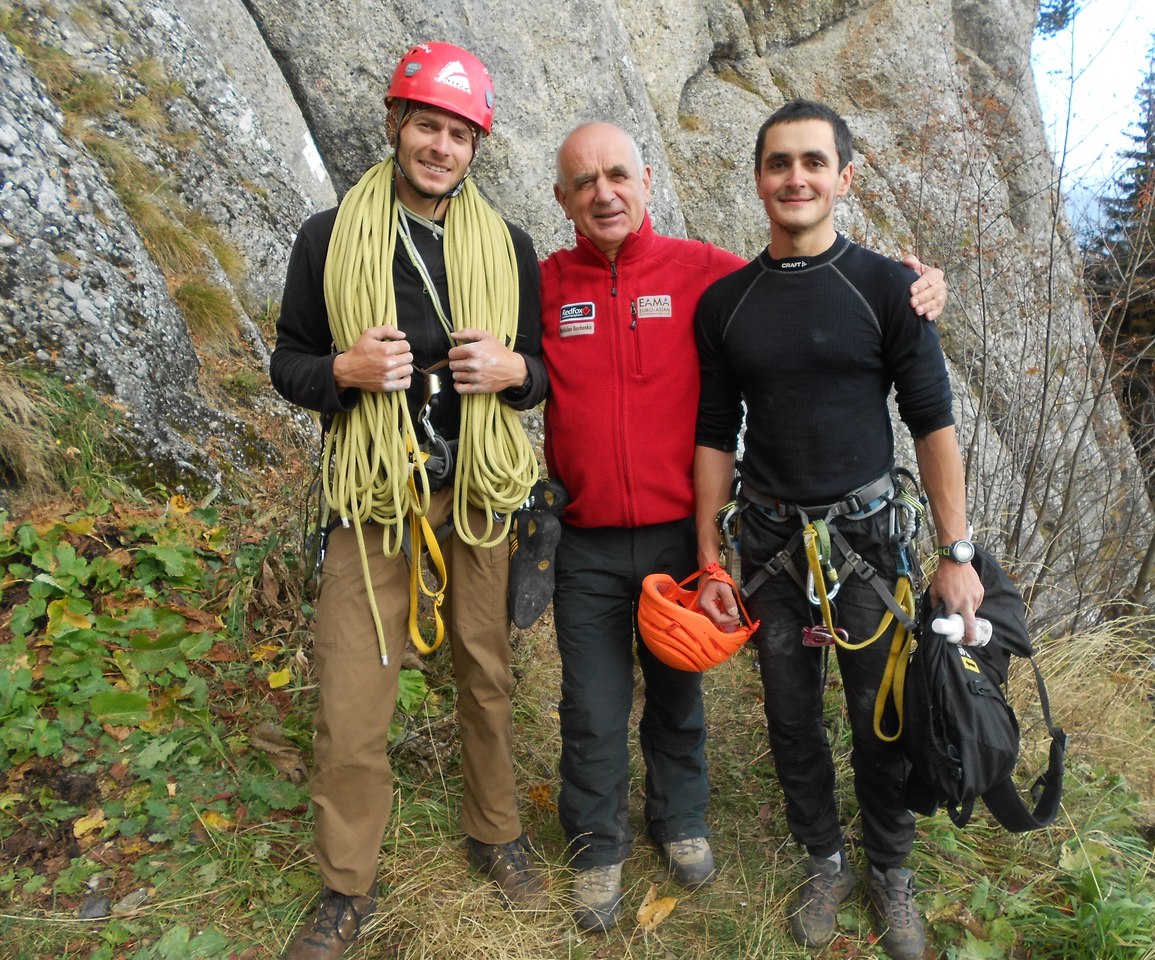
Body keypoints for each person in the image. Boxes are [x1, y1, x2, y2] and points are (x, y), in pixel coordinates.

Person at [538, 121, 948, 932]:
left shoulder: (702, 274)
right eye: (585, 182)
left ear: (647, 181)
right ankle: (611, 849)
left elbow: (809, 284)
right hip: (620, 535)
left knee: (712, 694)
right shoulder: (549, 282)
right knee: (612, 705)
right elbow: (714, 421)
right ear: (562, 198)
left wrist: (919, 280)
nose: (604, 193)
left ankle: (709, 826)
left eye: (619, 175)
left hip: (767, 533)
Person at [270, 42, 549, 960]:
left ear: (477, 146)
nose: (441, 146)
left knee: (487, 672)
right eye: (427, 124)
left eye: (459, 133)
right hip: (374, 493)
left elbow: (540, 371)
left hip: (474, 489)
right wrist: (342, 372)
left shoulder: (509, 248)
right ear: (395, 125)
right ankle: (345, 886)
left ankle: (496, 830)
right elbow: (290, 360)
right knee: (353, 691)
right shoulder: (329, 236)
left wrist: (514, 372)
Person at [692, 99, 984, 960]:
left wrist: (955, 553)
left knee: (878, 715)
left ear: (843, 178)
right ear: (757, 179)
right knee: (790, 716)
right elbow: (715, 431)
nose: (795, 178)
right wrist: (710, 555)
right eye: (779, 163)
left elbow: (933, 423)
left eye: (813, 163)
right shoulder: (728, 305)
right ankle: (824, 858)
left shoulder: (891, 289)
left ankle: (890, 873)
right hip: (771, 549)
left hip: (865, 546)